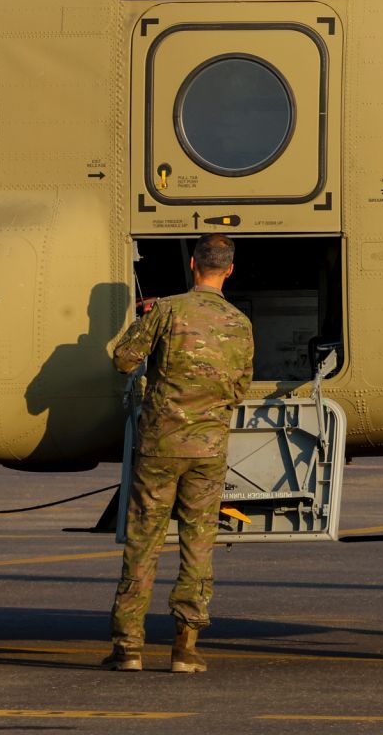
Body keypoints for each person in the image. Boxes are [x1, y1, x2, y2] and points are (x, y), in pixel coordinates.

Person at [102, 234, 254, 673]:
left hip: (160, 448)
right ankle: (186, 647)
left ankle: (128, 647)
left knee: (143, 542)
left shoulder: (167, 310)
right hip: (208, 451)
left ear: (193, 264)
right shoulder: (240, 323)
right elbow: (240, 387)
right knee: (198, 544)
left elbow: (124, 360)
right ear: (229, 269)